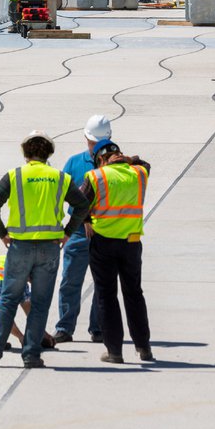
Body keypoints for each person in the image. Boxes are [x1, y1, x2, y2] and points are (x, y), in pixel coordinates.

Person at [0, 132, 91, 369]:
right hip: (50, 248)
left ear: (25, 152)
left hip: (19, 247)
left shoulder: (15, 176)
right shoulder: (59, 177)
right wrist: (68, 232)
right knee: (40, 303)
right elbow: (82, 204)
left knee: (9, 300)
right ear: (49, 153)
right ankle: (31, 355)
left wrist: (2, 233)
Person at [83, 139, 153, 364]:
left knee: (106, 296)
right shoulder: (139, 173)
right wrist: (129, 159)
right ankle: (144, 348)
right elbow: (146, 164)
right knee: (134, 294)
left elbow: (79, 203)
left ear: (101, 159)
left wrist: (86, 220)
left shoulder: (97, 177)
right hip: (131, 243)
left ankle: (114, 351)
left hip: (103, 242)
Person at [52, 115, 109, 345]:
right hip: (77, 233)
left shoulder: (116, 164)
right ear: (86, 138)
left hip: (105, 232)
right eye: (92, 142)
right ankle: (65, 328)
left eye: (99, 143)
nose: (95, 147)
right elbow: (62, 194)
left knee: (102, 283)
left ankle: (98, 328)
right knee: (70, 281)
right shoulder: (74, 163)